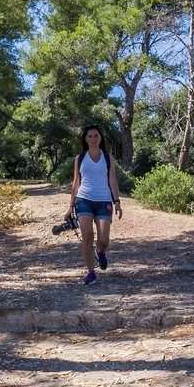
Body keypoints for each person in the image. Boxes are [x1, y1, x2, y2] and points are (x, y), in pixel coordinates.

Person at [68, 122, 123, 285]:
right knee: (87, 237)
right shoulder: (80, 158)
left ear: (100, 138)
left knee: (104, 240)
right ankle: (91, 272)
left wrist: (117, 201)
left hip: (104, 200)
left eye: (96, 136)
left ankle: (100, 252)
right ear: (85, 139)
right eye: (90, 136)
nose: (93, 139)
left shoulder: (107, 157)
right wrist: (71, 205)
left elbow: (112, 180)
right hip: (83, 199)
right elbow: (76, 182)